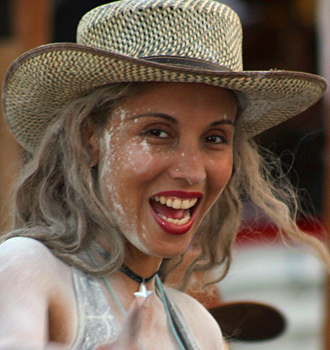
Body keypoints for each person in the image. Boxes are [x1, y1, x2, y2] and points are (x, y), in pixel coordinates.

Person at [0, 0, 329, 349]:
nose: (190, 171)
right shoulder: (28, 266)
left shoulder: (199, 328)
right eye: (157, 133)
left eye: (214, 139)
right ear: (89, 138)